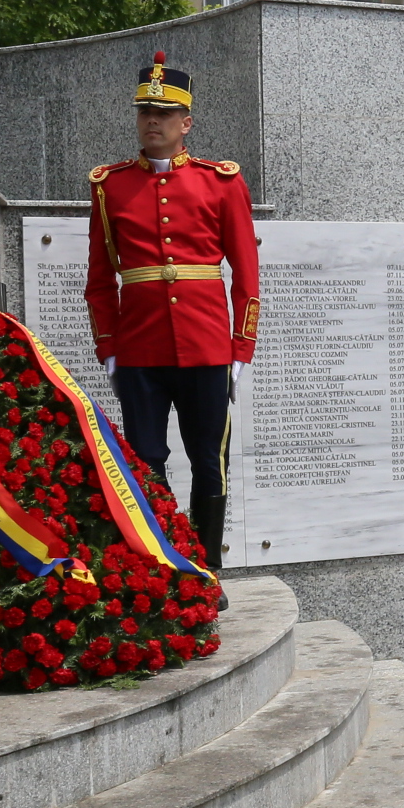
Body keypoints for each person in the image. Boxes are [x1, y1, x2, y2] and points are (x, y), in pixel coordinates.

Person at [87, 52, 258, 567]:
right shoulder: (109, 185)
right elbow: (100, 280)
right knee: (145, 462)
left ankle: (206, 567)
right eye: (144, 112)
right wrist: (110, 349)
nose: (152, 121)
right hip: (140, 351)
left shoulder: (221, 182)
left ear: (186, 123)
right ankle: (167, 564)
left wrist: (240, 350)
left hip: (207, 347)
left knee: (210, 460)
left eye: (163, 114)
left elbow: (247, 275)